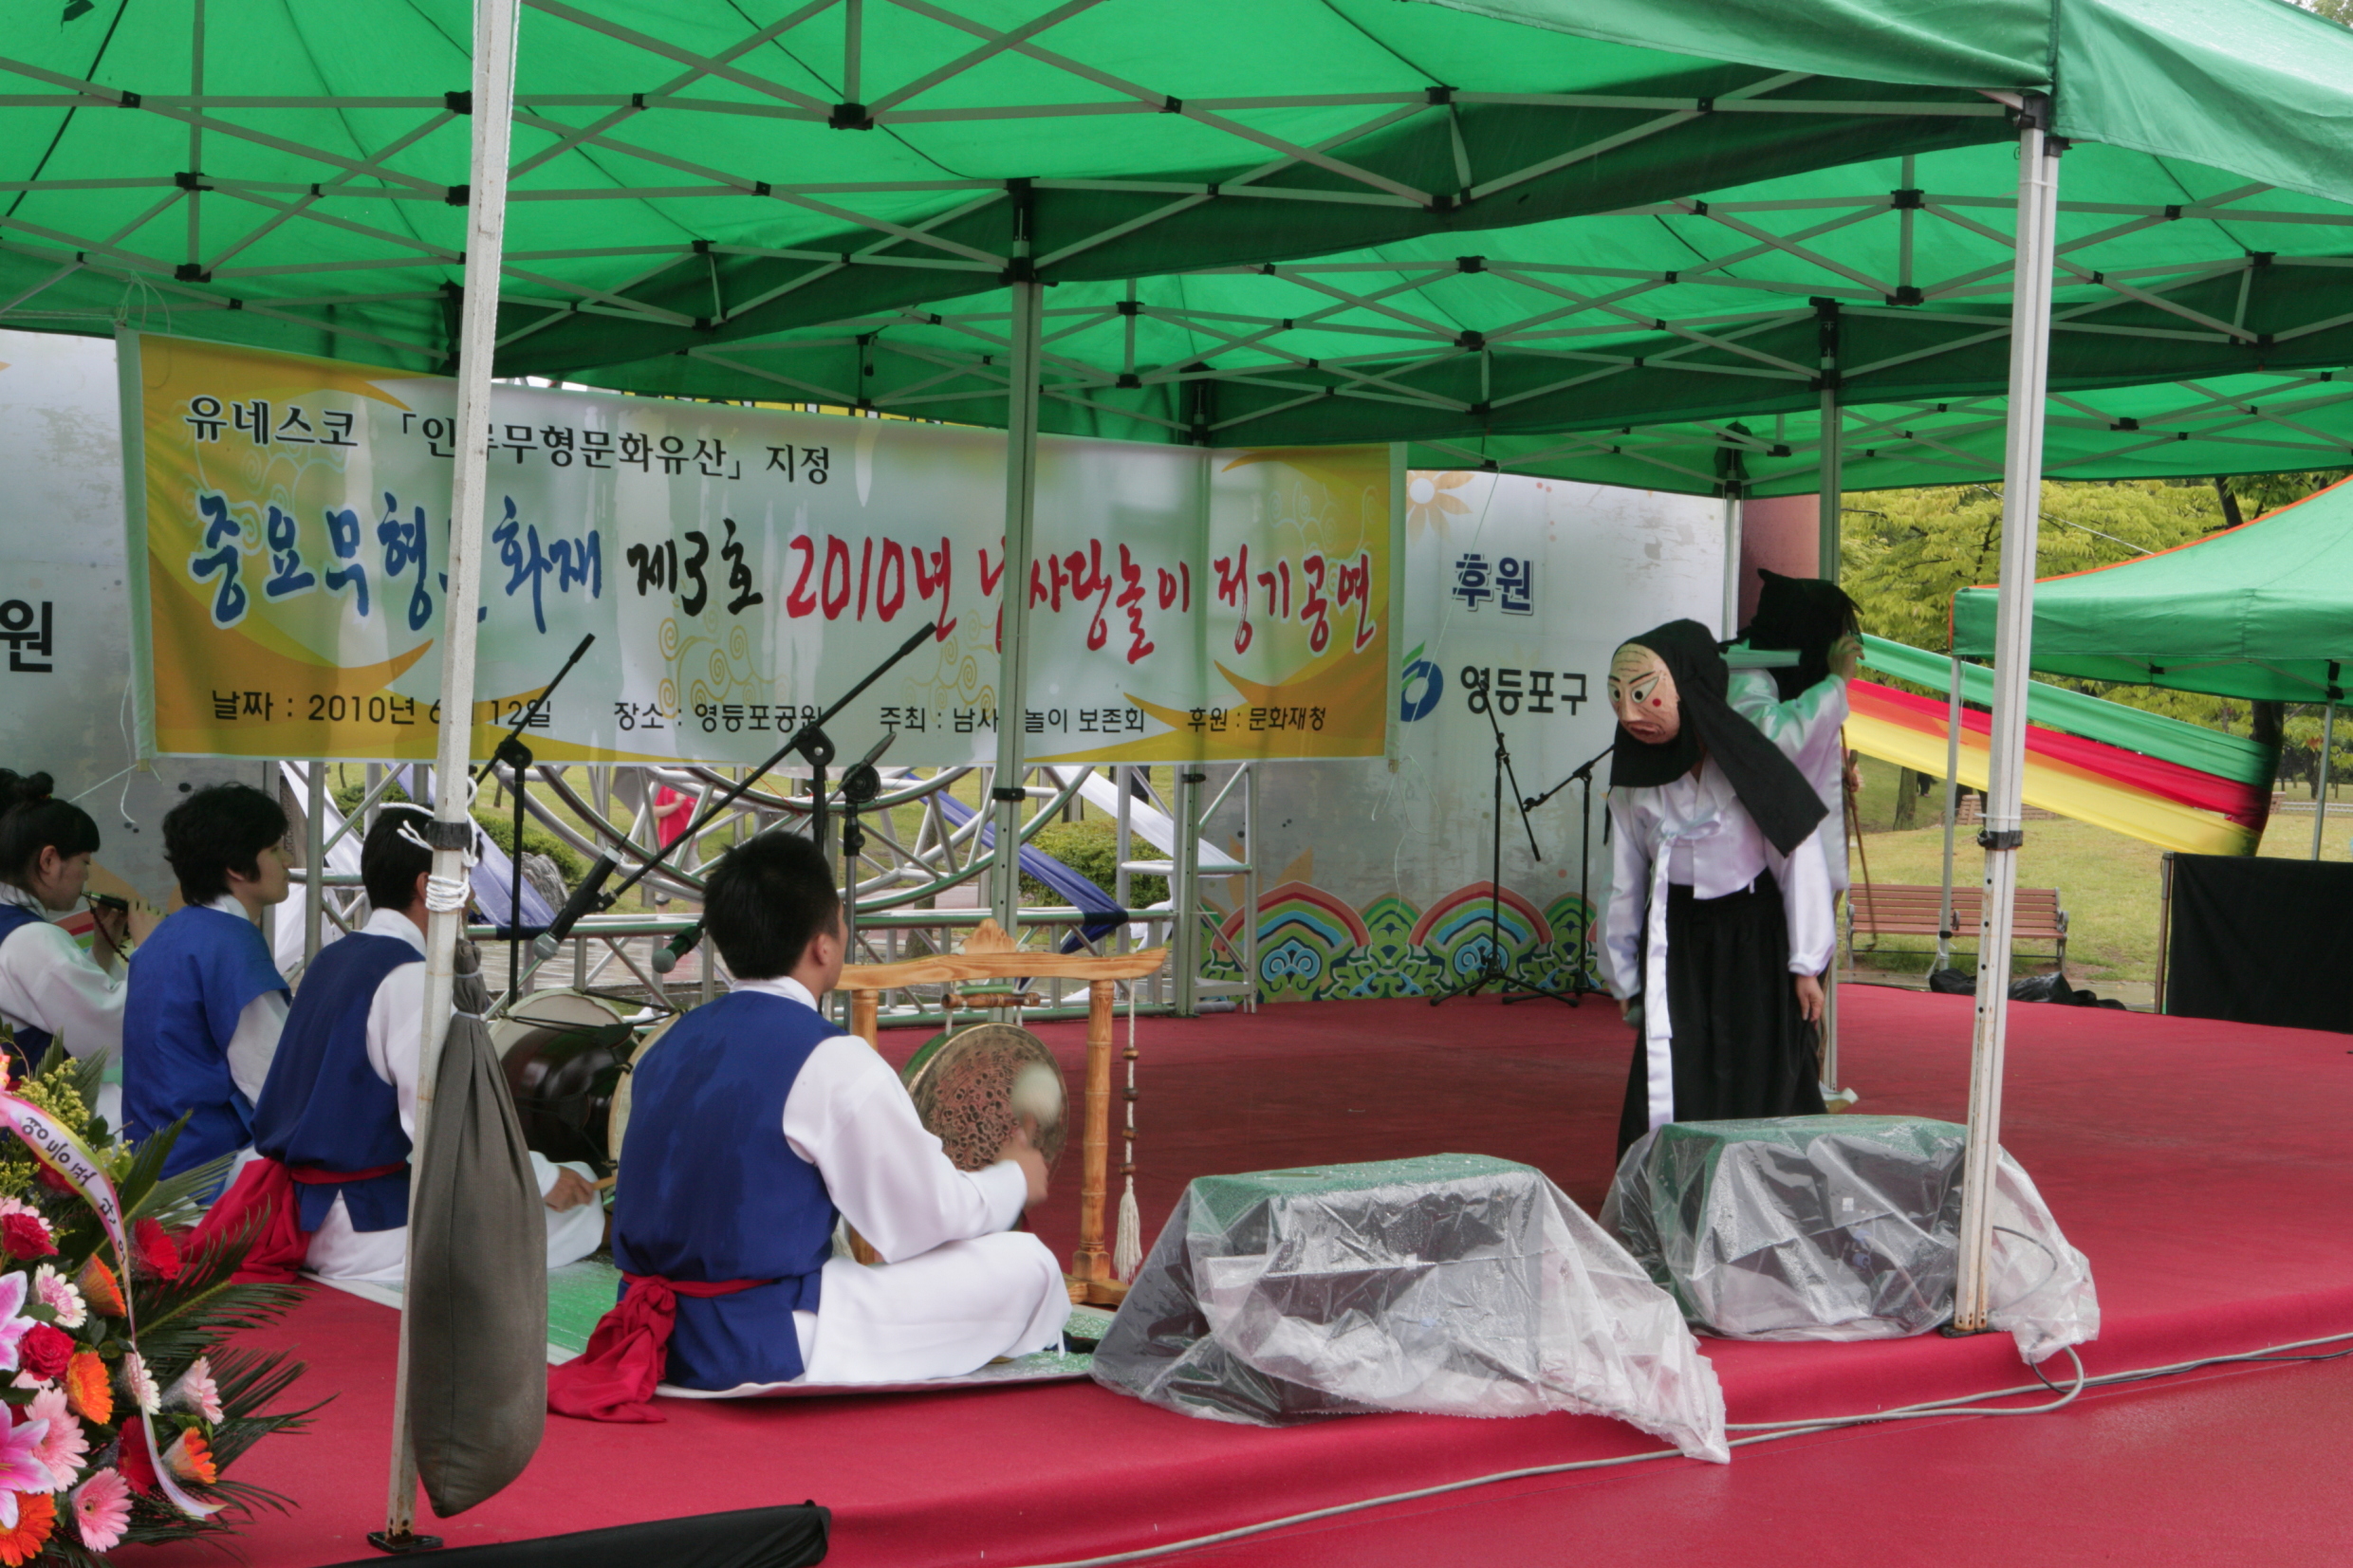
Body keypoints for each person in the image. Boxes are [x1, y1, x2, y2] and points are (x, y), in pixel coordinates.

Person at [549, 832, 1066, 1422]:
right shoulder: (830, 1059)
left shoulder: (668, 1044)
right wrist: (1013, 1179)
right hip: (762, 1339)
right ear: (824, 946)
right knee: (1026, 1263)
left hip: (663, 1334)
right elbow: (922, 1220)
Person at [215, 804, 602, 1282]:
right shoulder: (414, 978)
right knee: (579, 1210)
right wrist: (541, 1178)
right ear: (426, 886)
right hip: (364, 1230)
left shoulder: (329, 959)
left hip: (298, 1214)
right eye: (464, 881)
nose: (471, 899)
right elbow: (444, 1123)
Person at [1602, 621, 1835, 1162]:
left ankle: (1767, 1184)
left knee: (1760, 1063)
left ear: (1691, 687)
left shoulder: (1752, 765)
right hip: (1675, 939)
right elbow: (1624, 878)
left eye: (1643, 694)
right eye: (1617, 696)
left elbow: (1799, 859)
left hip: (1755, 937)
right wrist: (1624, 975)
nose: (1629, 714)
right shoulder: (1636, 783)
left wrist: (1806, 966)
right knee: (1678, 1066)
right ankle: (1673, 1187)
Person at [122, 784, 293, 1192]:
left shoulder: (166, 936)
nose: (289, 860)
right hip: (213, 1178)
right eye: (274, 849)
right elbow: (279, 1084)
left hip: (151, 1173)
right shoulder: (230, 944)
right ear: (236, 867)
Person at [0, 770, 138, 1116]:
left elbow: (56, 1005)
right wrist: (151, 949)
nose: (87, 876)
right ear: (48, 861)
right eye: (84, 862)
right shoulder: (33, 938)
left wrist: (103, 951)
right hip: (32, 1131)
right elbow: (105, 1033)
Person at [1729, 569, 1866, 894]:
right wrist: (1835, 684)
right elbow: (1774, 744)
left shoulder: (1777, 672)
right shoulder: (1744, 672)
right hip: (1745, 872)